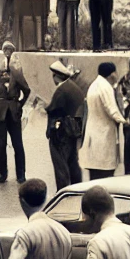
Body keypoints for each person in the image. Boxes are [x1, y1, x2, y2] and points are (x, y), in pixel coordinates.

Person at [0, 41, 31, 184]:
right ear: (3, 53)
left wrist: (20, 104)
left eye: (10, 50)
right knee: (0, 144)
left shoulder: (17, 74)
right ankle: (1, 173)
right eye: (5, 50)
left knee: (18, 144)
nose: (8, 53)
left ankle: (21, 174)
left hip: (14, 113)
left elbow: (27, 91)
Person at [80, 63, 126, 180]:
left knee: (95, 174)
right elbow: (111, 109)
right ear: (111, 74)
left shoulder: (95, 84)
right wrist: (124, 121)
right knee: (104, 174)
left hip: (94, 133)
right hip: (103, 134)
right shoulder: (105, 87)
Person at [45, 61, 84, 191]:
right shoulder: (73, 87)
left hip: (62, 133)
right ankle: (76, 189)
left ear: (56, 76)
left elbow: (53, 110)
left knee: (60, 165)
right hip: (73, 131)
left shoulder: (61, 91)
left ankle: (63, 192)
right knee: (73, 163)